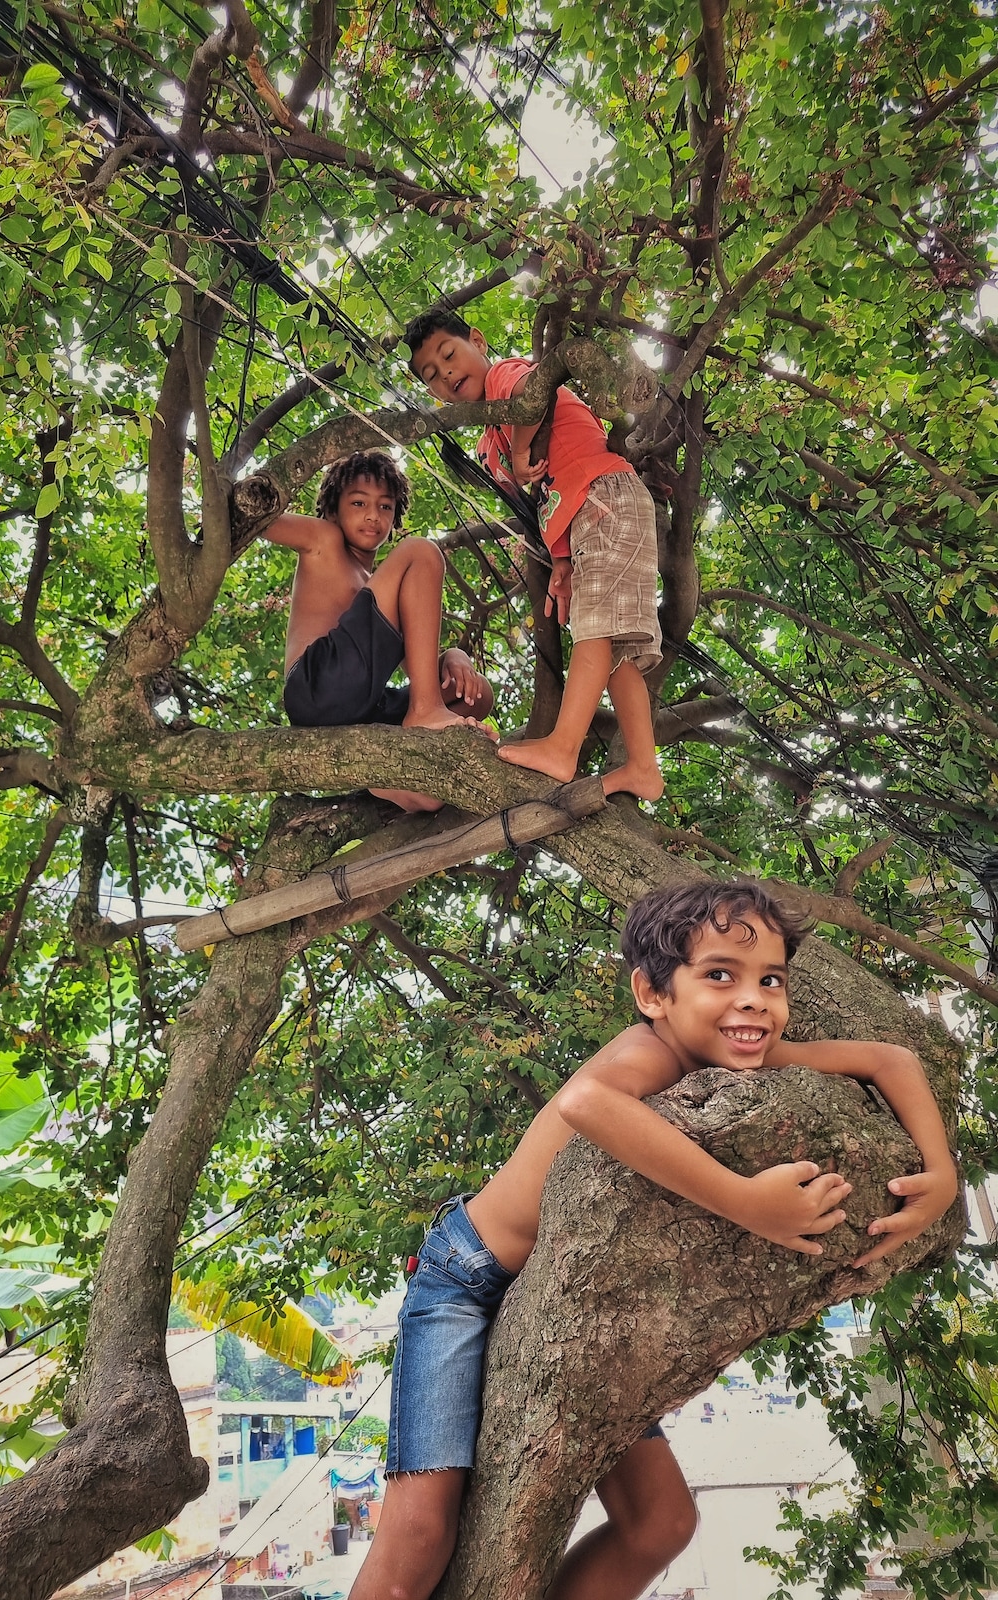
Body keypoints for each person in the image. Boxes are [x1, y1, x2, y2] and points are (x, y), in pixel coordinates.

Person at [349, 880, 958, 1600]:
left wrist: (942, 1177)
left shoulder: (739, 1056)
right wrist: (747, 1203)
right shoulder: (650, 1052)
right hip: (467, 1278)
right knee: (421, 1535)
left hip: (566, 1311)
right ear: (652, 994)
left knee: (661, 1523)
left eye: (771, 980)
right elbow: (586, 1102)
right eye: (720, 975)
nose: (754, 1000)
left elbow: (891, 1060)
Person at [406, 309, 662, 798]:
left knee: (595, 628)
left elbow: (531, 399)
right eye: (431, 375)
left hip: (606, 497)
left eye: (449, 354)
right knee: (615, 648)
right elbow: (546, 501)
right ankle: (643, 769)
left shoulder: (504, 377)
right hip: (584, 518)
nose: (445, 373)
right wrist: (561, 562)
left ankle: (563, 748)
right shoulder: (490, 441)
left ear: (478, 341)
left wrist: (522, 448)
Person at [263, 449, 495, 812]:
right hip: (317, 686)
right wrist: (247, 491)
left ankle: (390, 782)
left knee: (476, 695)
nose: (373, 515)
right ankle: (425, 711)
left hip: (360, 711)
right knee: (422, 551)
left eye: (385, 506)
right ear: (333, 509)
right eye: (358, 503)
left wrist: (454, 656)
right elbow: (257, 519)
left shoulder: (382, 588)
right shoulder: (324, 540)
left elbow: (415, 665)